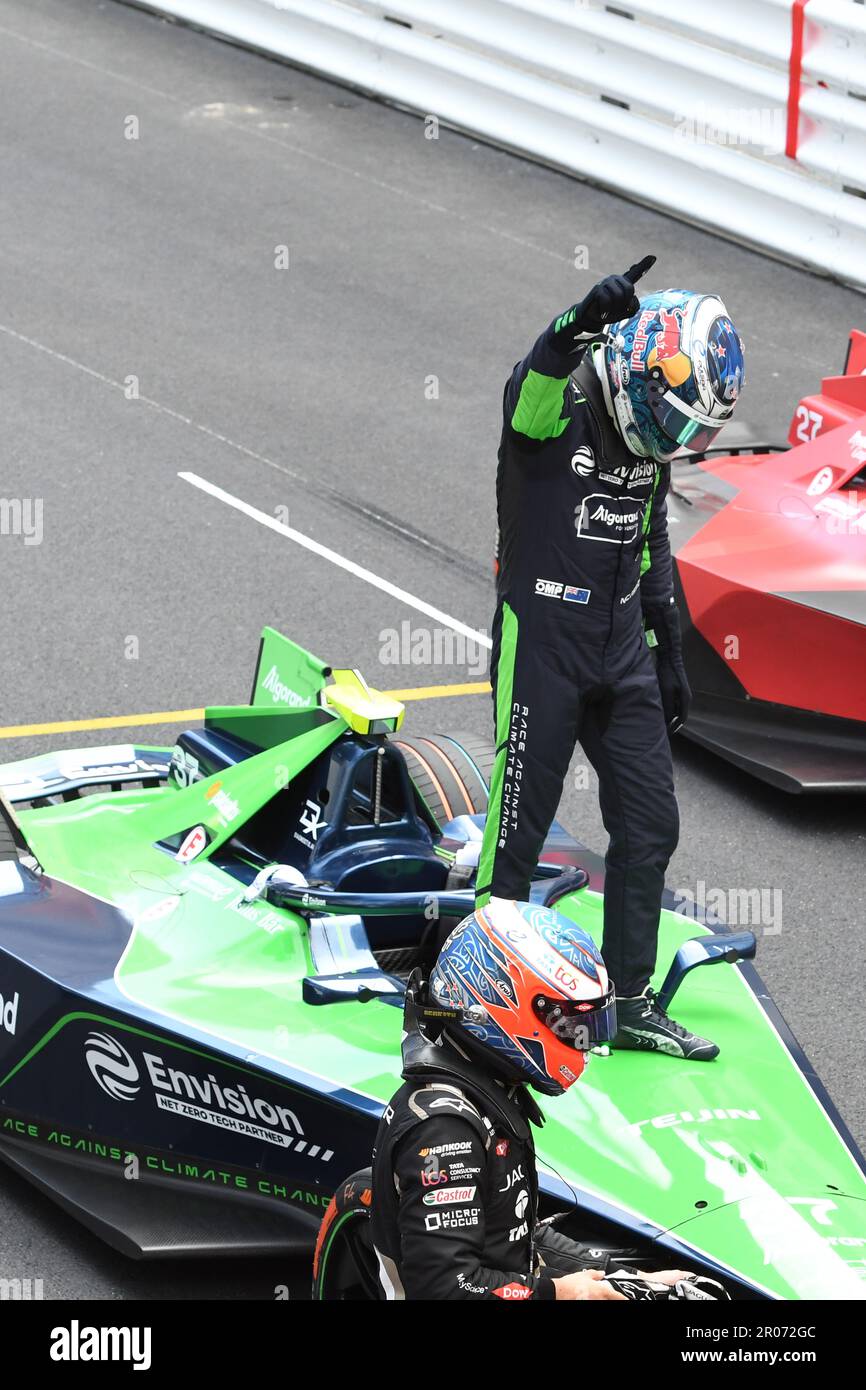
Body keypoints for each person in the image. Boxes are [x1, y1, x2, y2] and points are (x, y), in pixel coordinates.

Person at [475, 260, 746, 1060]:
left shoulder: (648, 438)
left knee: (651, 827)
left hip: (622, 651)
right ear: (633, 369)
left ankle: (627, 1004)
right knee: (515, 842)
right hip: (544, 649)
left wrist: (672, 649)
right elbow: (534, 377)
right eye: (674, 422)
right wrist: (572, 322)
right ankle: (487, 996)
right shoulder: (550, 413)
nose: (677, 442)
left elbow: (653, 536)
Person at [370, 900, 727, 1301]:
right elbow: (445, 1289)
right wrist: (562, 1292)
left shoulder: (483, 1082)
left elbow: (513, 1233)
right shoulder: (444, 1131)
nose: (584, 1039)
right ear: (497, 1003)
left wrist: (624, 1276)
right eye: (571, 1021)